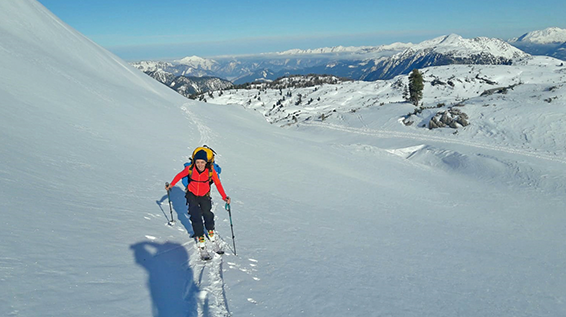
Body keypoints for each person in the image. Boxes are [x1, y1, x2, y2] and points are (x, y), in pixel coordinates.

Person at [165, 149, 230, 249]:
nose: (200, 165)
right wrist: (171, 185)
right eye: (198, 162)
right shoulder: (190, 169)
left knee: (207, 213)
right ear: (194, 162)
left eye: (202, 162)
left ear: (206, 162)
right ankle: (200, 236)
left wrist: (224, 197)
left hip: (204, 195)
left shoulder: (211, 171)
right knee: (195, 215)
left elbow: (217, 183)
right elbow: (179, 175)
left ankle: (210, 230)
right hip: (192, 194)